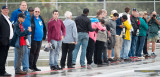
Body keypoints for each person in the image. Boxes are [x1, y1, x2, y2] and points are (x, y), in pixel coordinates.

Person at [11, 1, 31, 72]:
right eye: (23, 5)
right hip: (19, 36)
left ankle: (25, 68)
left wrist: (28, 32)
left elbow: (28, 22)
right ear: (20, 5)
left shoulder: (27, 13)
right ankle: (17, 68)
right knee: (18, 54)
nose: (24, 6)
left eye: (25, 5)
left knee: (25, 52)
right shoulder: (15, 12)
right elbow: (12, 23)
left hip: (26, 35)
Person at [29, 7, 47, 71]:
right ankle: (30, 66)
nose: (37, 13)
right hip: (33, 39)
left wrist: (44, 36)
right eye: (36, 11)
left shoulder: (40, 18)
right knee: (32, 53)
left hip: (40, 39)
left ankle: (34, 65)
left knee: (37, 53)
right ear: (34, 12)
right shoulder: (31, 19)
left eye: (38, 12)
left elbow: (44, 28)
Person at [0, 6, 13, 76]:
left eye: (7, 10)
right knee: (2, 57)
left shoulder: (8, 18)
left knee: (4, 57)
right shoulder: (1, 18)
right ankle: (2, 72)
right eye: (4, 10)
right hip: (2, 42)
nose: (6, 11)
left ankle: (2, 70)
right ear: (1, 10)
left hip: (7, 41)